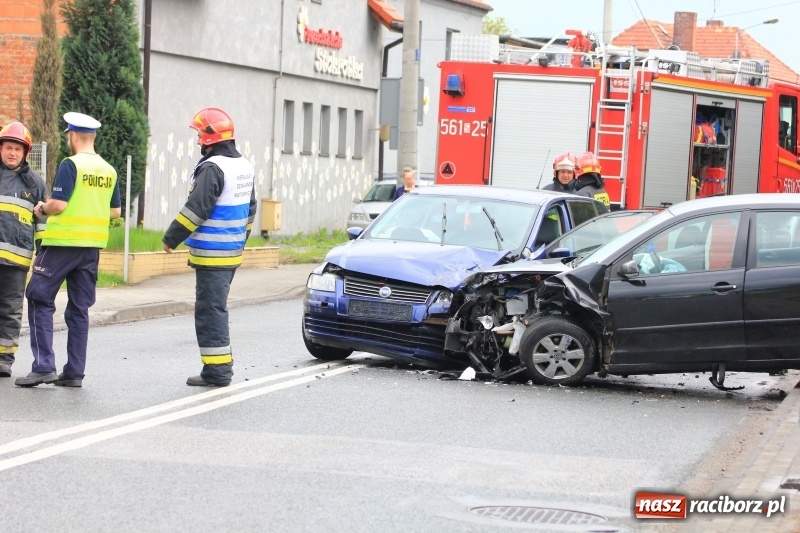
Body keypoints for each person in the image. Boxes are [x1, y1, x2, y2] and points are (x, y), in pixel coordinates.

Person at [15, 112, 120, 388]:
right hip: (91, 249)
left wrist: (42, 207)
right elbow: (115, 211)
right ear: (93, 137)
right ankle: (74, 372)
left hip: (62, 245)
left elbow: (59, 205)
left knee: (38, 297)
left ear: (72, 136)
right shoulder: (109, 170)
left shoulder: (70, 165)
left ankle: (43, 366)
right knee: (79, 309)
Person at [162, 107, 256, 387]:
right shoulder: (244, 166)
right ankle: (218, 368)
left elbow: (197, 208)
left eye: (200, 133)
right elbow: (250, 210)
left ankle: (217, 372)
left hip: (213, 255)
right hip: (231, 252)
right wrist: (241, 240)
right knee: (215, 309)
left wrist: (171, 237)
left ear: (211, 136)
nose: (198, 139)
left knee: (210, 312)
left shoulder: (214, 168)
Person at [0, 122, 48, 378]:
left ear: (25, 153)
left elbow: (42, 224)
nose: (12, 153)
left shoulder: (35, 184)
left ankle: (4, 359)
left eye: (17, 149)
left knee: (10, 309)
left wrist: (44, 254)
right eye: (8, 148)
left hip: (16, 262)